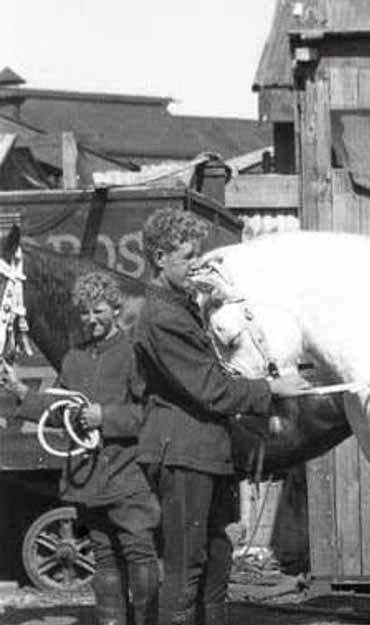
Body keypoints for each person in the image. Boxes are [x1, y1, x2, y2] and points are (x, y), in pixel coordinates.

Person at [133, 207, 309, 625]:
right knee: (186, 561)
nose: (197, 263)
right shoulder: (161, 316)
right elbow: (210, 387)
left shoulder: (182, 306)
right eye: (188, 256)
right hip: (182, 453)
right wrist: (272, 389)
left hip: (207, 451)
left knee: (217, 558)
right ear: (159, 259)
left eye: (199, 254)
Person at [3, 272, 159, 625]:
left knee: (139, 554)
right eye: (85, 313)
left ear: (116, 310)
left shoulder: (134, 354)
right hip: (88, 477)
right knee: (104, 558)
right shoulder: (74, 359)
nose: (92, 320)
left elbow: (150, 413)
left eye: (99, 311)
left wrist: (105, 416)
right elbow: (59, 413)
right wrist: (22, 393)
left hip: (128, 475)